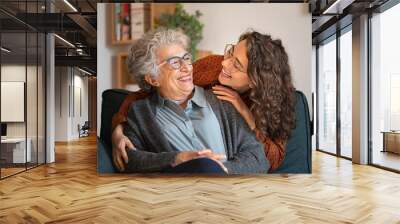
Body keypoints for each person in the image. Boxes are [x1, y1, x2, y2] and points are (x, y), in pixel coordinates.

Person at [112, 30, 296, 173]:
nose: (225, 63)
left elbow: (267, 159)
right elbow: (142, 94)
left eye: (237, 65)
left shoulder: (266, 103)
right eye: (230, 53)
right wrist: (117, 130)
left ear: (256, 79)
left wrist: (247, 117)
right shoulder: (213, 68)